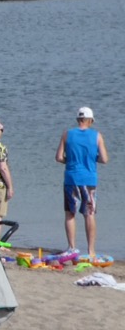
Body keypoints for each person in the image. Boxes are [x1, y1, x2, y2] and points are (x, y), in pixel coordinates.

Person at [57, 106, 109, 257]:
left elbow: (59, 157)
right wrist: (93, 159)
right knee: (89, 214)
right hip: (89, 179)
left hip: (71, 178)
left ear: (78, 120)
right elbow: (104, 159)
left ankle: (71, 248)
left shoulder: (67, 134)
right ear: (90, 121)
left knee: (70, 214)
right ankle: (91, 251)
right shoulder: (97, 135)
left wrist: (71, 161)